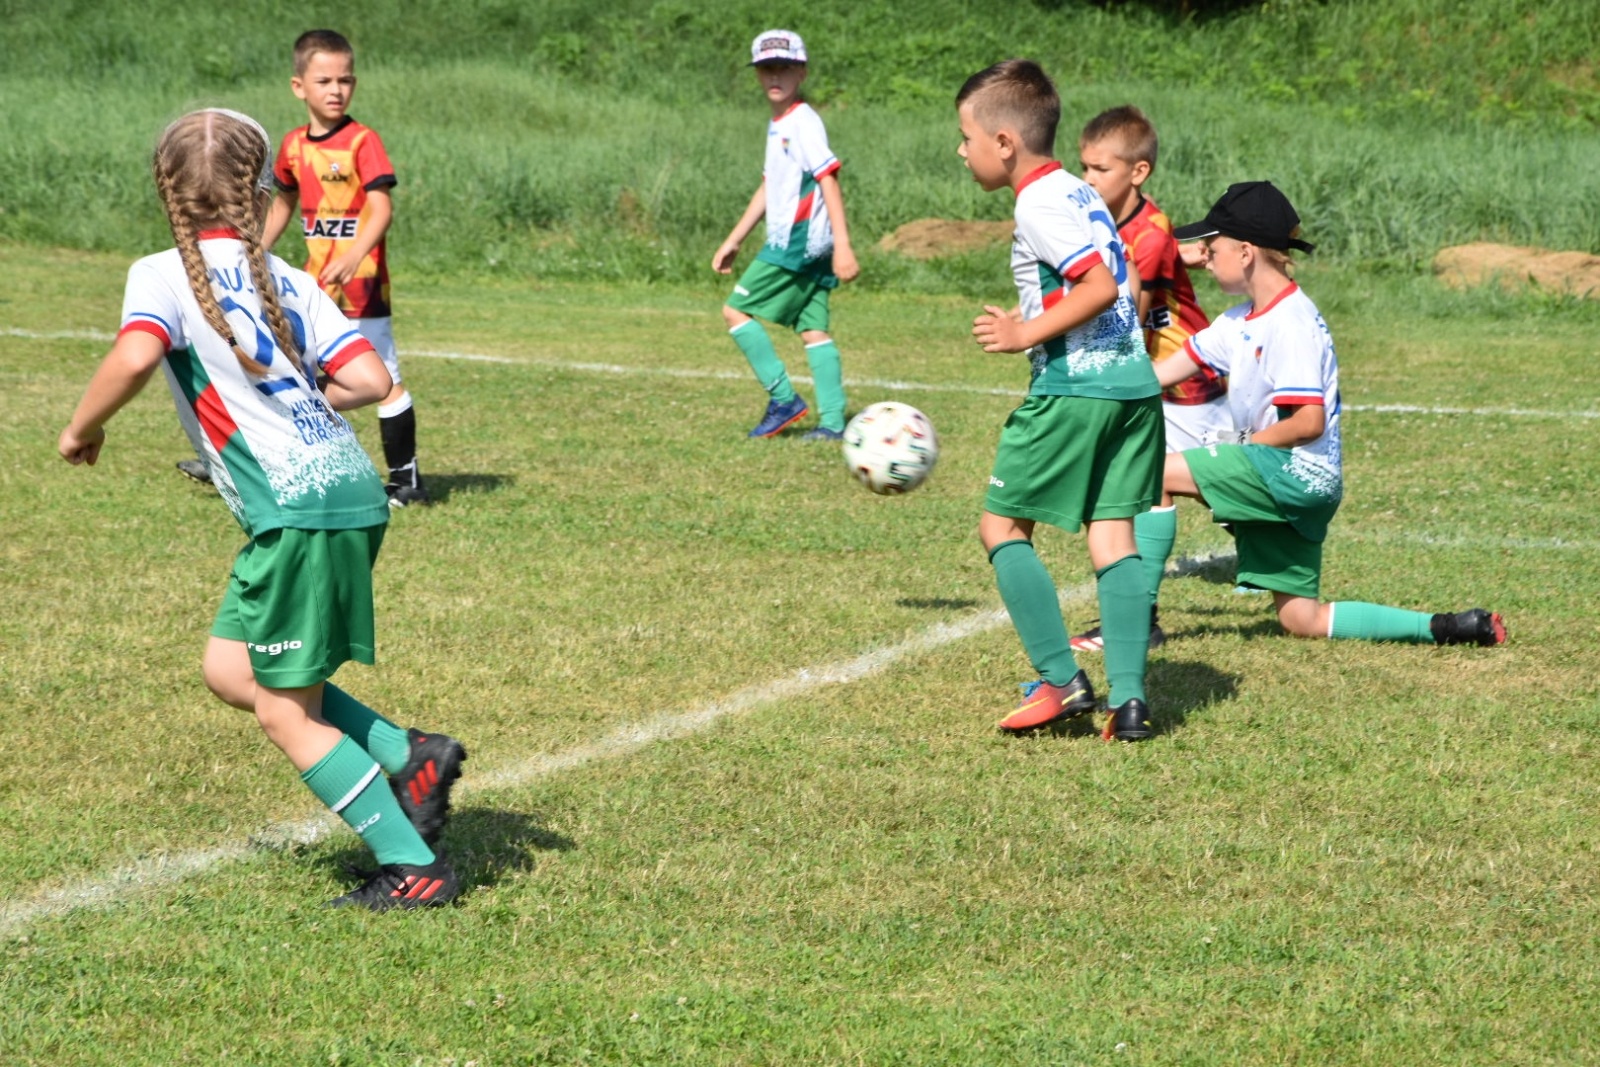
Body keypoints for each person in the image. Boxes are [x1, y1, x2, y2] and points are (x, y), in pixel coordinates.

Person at [58, 109, 467, 910]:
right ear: (252, 189)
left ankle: (410, 865)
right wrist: (295, 397)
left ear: (168, 190)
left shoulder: (161, 273)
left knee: (285, 710)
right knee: (230, 668)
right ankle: (407, 752)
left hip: (296, 508)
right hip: (347, 485)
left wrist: (82, 428)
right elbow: (371, 384)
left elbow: (138, 352)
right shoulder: (285, 277)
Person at [1150, 180, 1507, 647]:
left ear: (1244, 252)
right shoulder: (1240, 320)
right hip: (1303, 478)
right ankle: (1450, 626)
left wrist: (1237, 450)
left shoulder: (1290, 321)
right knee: (1303, 619)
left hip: (1295, 474)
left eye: (1212, 247)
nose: (1205, 256)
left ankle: (1136, 620)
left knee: (1151, 471)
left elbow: (1307, 422)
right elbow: (1160, 375)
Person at [956, 60, 1165, 742]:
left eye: (967, 136)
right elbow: (1126, 277)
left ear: (1006, 143)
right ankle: (1129, 704)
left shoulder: (1037, 201)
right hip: (1133, 383)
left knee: (1002, 527)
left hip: (1077, 388)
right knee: (1113, 537)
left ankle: (1059, 679)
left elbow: (1100, 284)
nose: (963, 150)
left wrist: (1024, 334)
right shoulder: (1079, 192)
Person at [1071, 105, 1232, 653]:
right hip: (1153, 381)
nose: (1088, 180)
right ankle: (1140, 616)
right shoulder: (1106, 222)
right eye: (1084, 168)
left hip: (1184, 386)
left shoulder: (1151, 236)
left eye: (1099, 169)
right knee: (1144, 487)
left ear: (1137, 173)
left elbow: (1129, 328)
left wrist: (1094, 387)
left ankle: (1140, 618)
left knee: (1162, 489)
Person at [262, 29, 429, 506]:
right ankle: (271, 457)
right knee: (292, 371)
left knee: (384, 379)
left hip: (363, 288)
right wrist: (252, 251)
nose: (336, 90)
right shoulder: (294, 146)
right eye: (324, 80)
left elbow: (381, 208)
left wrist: (355, 255)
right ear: (299, 87)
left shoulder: (362, 141)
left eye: (346, 80)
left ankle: (407, 481)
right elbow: (283, 203)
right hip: (313, 287)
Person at [712, 29, 859, 441]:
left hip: (796, 244)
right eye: (766, 68)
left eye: (784, 67)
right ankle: (832, 424)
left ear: (802, 72)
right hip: (811, 245)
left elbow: (829, 178)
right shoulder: (780, 124)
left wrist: (844, 247)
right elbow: (769, 185)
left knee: (734, 310)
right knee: (813, 329)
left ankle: (783, 400)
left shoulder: (803, 122)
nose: (775, 75)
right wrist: (736, 238)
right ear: (758, 74)